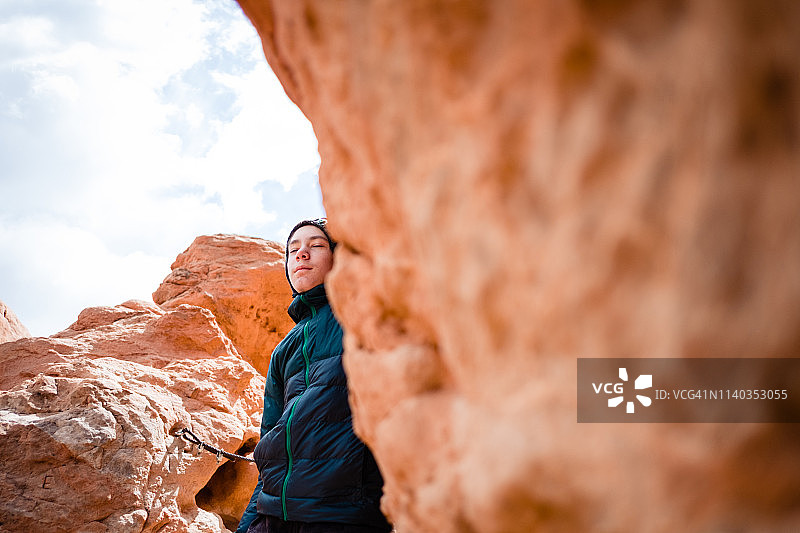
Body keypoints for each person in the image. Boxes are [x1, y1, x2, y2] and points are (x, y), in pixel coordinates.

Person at [237, 219, 391, 533]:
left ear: (339, 258)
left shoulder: (359, 318)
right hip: (272, 515)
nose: (301, 254)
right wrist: (247, 524)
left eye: (316, 245)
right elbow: (269, 441)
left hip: (339, 515)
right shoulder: (284, 349)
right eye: (293, 250)